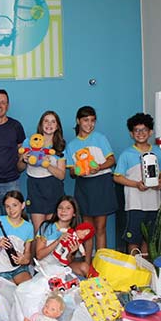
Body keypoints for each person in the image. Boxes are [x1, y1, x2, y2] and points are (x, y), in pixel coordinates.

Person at [64, 106, 118, 264]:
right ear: (78, 121)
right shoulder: (72, 145)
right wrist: (78, 172)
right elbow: (72, 172)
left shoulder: (100, 138)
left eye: (93, 120)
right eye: (86, 120)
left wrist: (99, 167)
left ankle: (102, 263)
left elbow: (111, 160)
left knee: (101, 227)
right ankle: (87, 262)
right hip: (84, 187)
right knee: (87, 229)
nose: (90, 124)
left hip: (102, 184)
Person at [113, 113, 161, 254]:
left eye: (144, 130)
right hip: (134, 204)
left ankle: (145, 269)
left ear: (150, 132)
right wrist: (136, 184)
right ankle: (134, 269)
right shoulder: (126, 154)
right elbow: (117, 177)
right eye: (136, 130)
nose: (140, 133)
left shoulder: (157, 152)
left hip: (154, 204)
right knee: (133, 239)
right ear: (131, 134)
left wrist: (160, 182)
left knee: (148, 238)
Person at [17, 110, 66, 233]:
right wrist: (23, 159)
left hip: (54, 188)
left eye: (53, 122)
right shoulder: (29, 142)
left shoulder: (60, 146)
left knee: (52, 231)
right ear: (41, 124)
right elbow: (19, 168)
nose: (49, 124)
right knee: (37, 231)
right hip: (35, 188)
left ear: (57, 126)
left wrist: (47, 165)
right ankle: (36, 253)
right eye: (46, 121)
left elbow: (61, 175)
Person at [35, 195, 93, 277]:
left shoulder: (75, 233)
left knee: (85, 267)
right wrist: (58, 240)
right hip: (45, 267)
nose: (63, 211)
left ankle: (96, 286)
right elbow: (39, 255)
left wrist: (71, 253)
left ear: (74, 213)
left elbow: (68, 261)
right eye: (60, 207)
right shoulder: (46, 226)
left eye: (68, 208)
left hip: (61, 267)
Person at [0, 191, 33, 285]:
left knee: (28, 289)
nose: (11, 209)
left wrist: (24, 260)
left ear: (22, 205)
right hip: (0, 269)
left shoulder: (28, 226)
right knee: (8, 294)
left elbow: (27, 252)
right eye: (7, 206)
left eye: (14, 205)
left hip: (19, 268)